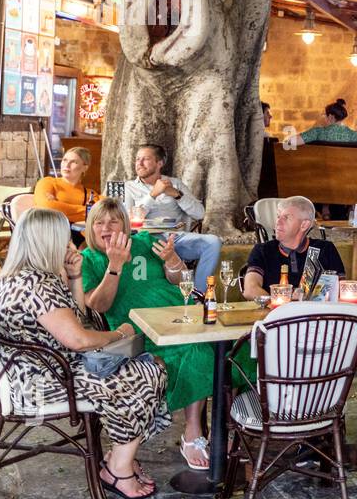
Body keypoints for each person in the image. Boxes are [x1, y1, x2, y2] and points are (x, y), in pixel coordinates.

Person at [0, 208, 170, 499]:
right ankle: (118, 469)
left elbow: (77, 319)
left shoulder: (29, 277)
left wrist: (74, 278)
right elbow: (78, 339)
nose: (70, 245)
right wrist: (121, 334)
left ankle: (120, 455)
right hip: (41, 381)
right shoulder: (35, 286)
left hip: (43, 367)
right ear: (46, 241)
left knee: (145, 365)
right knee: (149, 371)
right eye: (64, 239)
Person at [80, 198, 253, 470]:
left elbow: (179, 280)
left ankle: (236, 426)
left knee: (241, 347)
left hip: (183, 313)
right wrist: (114, 266)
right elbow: (98, 305)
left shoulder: (145, 242)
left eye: (113, 220)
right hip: (142, 328)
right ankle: (193, 432)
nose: (107, 227)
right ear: (91, 228)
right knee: (194, 352)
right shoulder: (89, 258)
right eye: (99, 222)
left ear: (125, 225)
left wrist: (173, 260)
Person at [122, 143, 221, 294]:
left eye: (145, 159)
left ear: (159, 163)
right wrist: (153, 194)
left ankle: (197, 294)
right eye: (137, 159)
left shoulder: (175, 184)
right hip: (144, 239)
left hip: (174, 239)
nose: (139, 163)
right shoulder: (128, 187)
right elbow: (128, 219)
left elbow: (200, 214)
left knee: (213, 242)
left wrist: (176, 194)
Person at [242, 196, 346, 299]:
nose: (278, 222)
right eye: (278, 216)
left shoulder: (325, 249)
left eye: (286, 218)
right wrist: (281, 304)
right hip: (275, 314)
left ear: (304, 225)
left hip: (316, 313)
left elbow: (343, 290)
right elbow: (250, 289)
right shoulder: (263, 250)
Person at [33, 146, 98, 224]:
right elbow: (46, 206)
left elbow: (100, 214)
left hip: (79, 235)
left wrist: (59, 206)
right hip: (50, 232)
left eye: (74, 162)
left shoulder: (90, 194)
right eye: (64, 160)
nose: (67, 165)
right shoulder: (47, 182)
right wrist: (86, 210)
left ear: (85, 168)